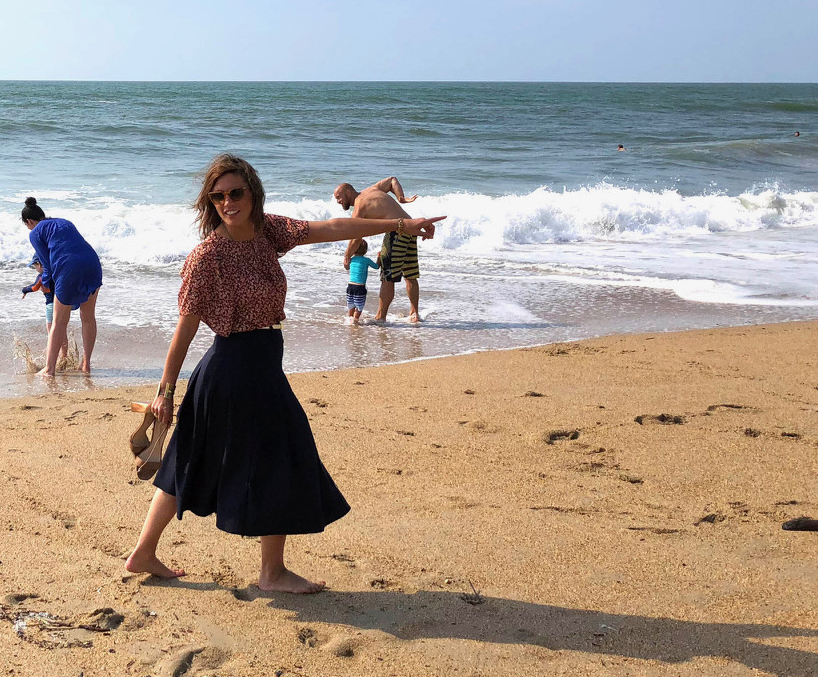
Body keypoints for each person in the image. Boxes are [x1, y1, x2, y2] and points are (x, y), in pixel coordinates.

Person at [125, 154, 443, 593]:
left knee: (191, 458)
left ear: (252, 193)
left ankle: (143, 553)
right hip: (234, 369)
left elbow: (332, 228)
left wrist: (398, 225)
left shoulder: (267, 231)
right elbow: (186, 327)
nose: (227, 202)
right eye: (218, 196)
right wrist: (165, 391)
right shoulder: (207, 257)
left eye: (235, 193)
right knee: (273, 457)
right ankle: (271, 573)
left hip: (257, 365)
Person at [21, 197, 102, 375]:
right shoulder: (64, 222)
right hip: (92, 263)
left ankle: (49, 369)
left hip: (69, 267)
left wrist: (47, 286)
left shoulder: (34, 233)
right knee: (88, 317)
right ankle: (86, 363)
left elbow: (47, 265)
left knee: (58, 321)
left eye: (27, 225)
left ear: (29, 222)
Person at [335, 177, 426, 324]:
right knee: (410, 274)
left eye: (339, 197)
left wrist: (347, 255)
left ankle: (381, 317)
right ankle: (414, 313)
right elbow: (392, 180)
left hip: (397, 231)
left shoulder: (359, 206)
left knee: (387, 276)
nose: (338, 201)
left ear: (348, 192)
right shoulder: (372, 189)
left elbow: (356, 237)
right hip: (411, 228)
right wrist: (400, 197)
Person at [345, 240, 379, 325]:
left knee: (351, 305)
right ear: (365, 250)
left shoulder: (352, 259)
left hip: (350, 286)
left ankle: (350, 319)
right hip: (360, 287)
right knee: (359, 307)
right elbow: (376, 266)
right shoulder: (366, 260)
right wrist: (379, 257)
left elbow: (347, 267)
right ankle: (355, 320)